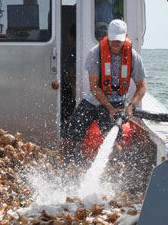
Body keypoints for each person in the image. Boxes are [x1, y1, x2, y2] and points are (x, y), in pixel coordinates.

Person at [62, 19, 147, 162]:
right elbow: (94, 86)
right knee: (69, 135)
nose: (115, 44)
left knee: (114, 142)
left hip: (117, 103)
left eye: (119, 41)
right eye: (113, 40)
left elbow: (142, 86)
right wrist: (109, 108)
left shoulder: (133, 57)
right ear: (108, 35)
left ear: (125, 37)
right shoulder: (95, 53)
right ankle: (63, 166)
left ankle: (116, 173)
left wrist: (131, 106)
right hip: (94, 100)